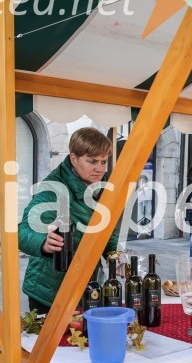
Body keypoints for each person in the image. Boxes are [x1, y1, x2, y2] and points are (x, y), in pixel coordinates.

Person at [18, 128, 120, 315]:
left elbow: (108, 231)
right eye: (92, 161)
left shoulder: (105, 187)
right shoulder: (52, 188)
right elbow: (22, 231)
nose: (100, 169)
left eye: (103, 162)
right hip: (49, 292)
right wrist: (43, 243)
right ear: (74, 159)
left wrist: (115, 257)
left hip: (87, 287)